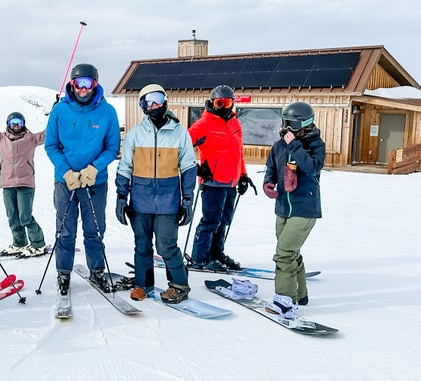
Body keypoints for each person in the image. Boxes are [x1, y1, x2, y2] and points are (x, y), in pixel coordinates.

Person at [115, 84, 197, 303]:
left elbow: (188, 167)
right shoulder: (134, 135)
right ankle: (144, 284)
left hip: (168, 202)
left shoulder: (180, 133)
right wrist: (121, 197)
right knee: (142, 245)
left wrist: (187, 199)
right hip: (140, 201)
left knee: (166, 246)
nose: (153, 105)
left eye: (157, 99)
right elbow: (124, 168)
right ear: (142, 106)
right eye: (148, 101)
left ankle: (179, 284)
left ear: (165, 101)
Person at [44, 63, 121, 295]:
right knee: (65, 230)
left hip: (94, 181)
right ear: (72, 84)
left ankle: (96, 270)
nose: (83, 88)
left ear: (95, 84)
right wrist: (66, 171)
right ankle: (63, 271)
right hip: (66, 181)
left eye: (88, 83)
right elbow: (51, 145)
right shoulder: (60, 110)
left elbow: (112, 147)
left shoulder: (108, 112)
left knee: (94, 229)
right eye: (79, 83)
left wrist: (93, 169)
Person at [263, 101, 324, 318]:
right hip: (283, 207)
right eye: (285, 123)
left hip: (304, 209)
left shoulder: (315, 145)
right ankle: (301, 294)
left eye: (292, 125)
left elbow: (311, 167)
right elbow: (271, 166)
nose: (287, 128)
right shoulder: (280, 145)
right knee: (291, 253)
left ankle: (285, 300)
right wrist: (268, 182)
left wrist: (295, 145)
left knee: (284, 254)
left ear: (305, 124)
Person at [188, 85, 254, 272]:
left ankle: (216, 253)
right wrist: (197, 168)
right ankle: (200, 257)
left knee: (224, 221)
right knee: (210, 221)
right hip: (213, 182)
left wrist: (242, 175)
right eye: (219, 103)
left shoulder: (234, 123)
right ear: (212, 103)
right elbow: (182, 147)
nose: (223, 107)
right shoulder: (203, 124)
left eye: (227, 103)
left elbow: (238, 153)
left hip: (230, 182)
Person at [0, 107, 47, 258]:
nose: (15, 125)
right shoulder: (1, 138)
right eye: (13, 122)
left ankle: (38, 244)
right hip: (7, 183)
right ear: (8, 123)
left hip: (25, 183)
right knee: (12, 216)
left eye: (18, 122)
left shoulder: (31, 139)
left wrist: (55, 113)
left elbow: (47, 133)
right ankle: (19, 243)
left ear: (23, 124)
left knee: (25, 216)